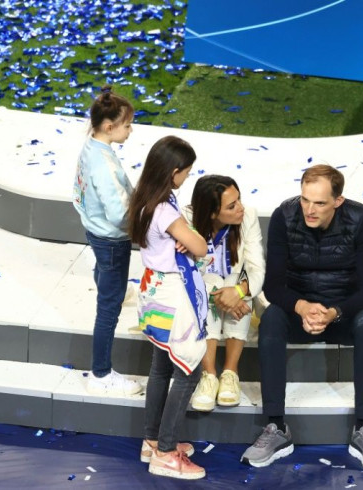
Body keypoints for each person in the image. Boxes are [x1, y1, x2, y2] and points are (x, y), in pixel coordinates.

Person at [241, 164, 363, 470]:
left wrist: (334, 312)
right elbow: (273, 285)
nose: (309, 209)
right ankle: (276, 427)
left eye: (319, 203)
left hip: (343, 312)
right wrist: (301, 308)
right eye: (305, 200)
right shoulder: (285, 216)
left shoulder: (361, 219)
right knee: (270, 320)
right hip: (299, 310)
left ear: (338, 201)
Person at [129, 135, 209, 480]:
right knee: (188, 369)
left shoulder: (145, 198)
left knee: (161, 365)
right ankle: (165, 451)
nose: (186, 178)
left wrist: (184, 235)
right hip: (174, 294)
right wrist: (189, 235)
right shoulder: (165, 209)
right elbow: (201, 247)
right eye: (186, 173)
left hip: (153, 291)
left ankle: (153, 439)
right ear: (174, 171)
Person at [72, 86, 141, 396]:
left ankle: (110, 285)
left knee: (106, 276)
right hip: (111, 238)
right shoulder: (105, 165)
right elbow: (118, 214)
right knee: (108, 309)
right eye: (127, 125)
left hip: (94, 228)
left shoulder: (92, 148)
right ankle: (100, 374)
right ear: (110, 126)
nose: (130, 130)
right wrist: (142, 228)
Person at [184, 175, 266, 411]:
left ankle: (230, 372)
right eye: (231, 206)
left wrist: (239, 291)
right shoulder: (186, 219)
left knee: (237, 282)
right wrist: (220, 294)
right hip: (199, 288)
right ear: (211, 213)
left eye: (239, 200)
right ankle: (208, 375)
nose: (240, 207)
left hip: (235, 285)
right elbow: (187, 272)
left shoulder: (248, 216)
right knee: (210, 284)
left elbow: (256, 267)